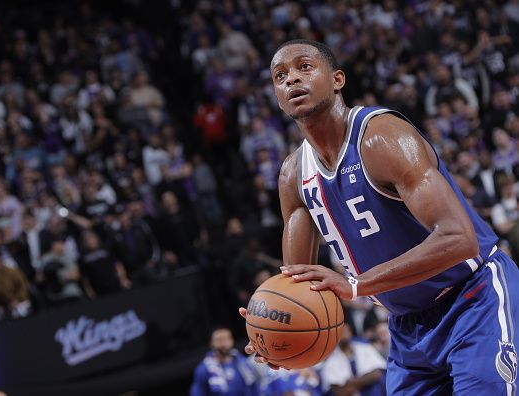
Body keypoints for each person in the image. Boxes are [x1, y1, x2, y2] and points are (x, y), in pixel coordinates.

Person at [239, 39, 519, 395]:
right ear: (276, 95)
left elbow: (458, 238)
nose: (292, 79)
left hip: (473, 299)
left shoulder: (381, 137)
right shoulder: (292, 176)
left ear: (338, 79)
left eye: (304, 67)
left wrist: (357, 285)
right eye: (280, 75)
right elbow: (298, 284)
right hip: (406, 327)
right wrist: (276, 330)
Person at [190, 327, 258, 396]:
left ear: (232, 340)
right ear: (211, 343)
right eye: (219, 340)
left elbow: (254, 387)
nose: (224, 343)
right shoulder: (203, 369)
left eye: (227, 338)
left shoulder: (243, 362)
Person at [321, 323, 386, 396]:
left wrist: (353, 383)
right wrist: (365, 380)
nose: (343, 334)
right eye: (340, 332)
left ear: (351, 332)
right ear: (335, 336)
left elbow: (377, 374)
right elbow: (339, 392)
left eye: (345, 331)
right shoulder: (330, 360)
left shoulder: (365, 348)